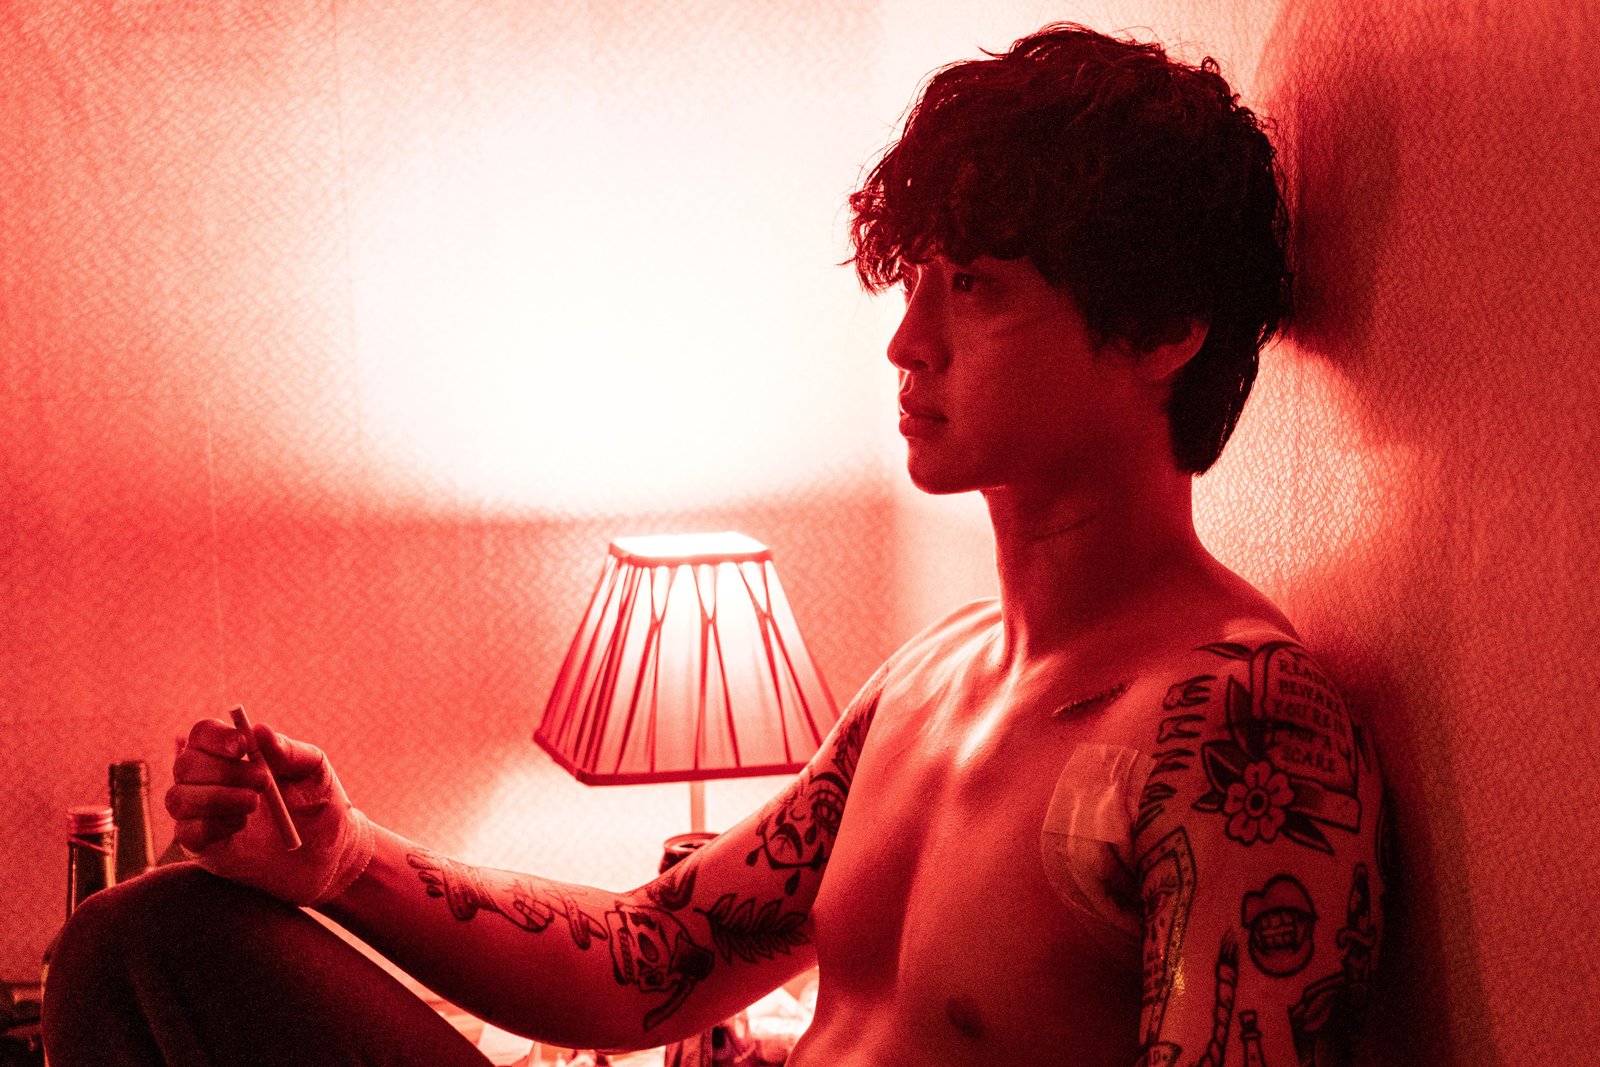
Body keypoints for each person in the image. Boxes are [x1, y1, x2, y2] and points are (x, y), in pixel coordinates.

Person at [43, 21, 1385, 1067]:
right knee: (150, 942)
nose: (907, 342)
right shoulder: (936, 678)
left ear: (1162, 330)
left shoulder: (1236, 722)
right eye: (915, 281)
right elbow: (652, 959)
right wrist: (343, 859)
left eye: (975, 287)